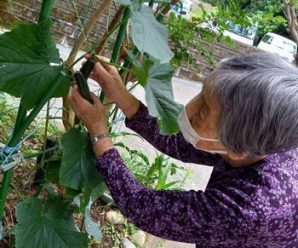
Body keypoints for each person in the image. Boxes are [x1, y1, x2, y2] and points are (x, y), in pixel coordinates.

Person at [69, 52, 298, 248]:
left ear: (238, 149)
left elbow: (143, 207)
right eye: (201, 94)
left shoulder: (250, 208)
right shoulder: (269, 136)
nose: (188, 111)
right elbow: (177, 142)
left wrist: (98, 131)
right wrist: (121, 95)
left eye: (202, 112)